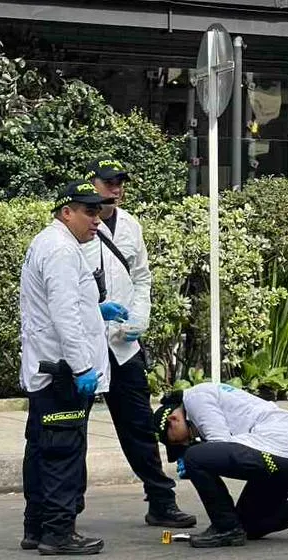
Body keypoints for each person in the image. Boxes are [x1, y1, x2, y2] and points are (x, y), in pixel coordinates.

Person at [82, 157, 195, 528]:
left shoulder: (131, 225)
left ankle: (160, 500)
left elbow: (141, 278)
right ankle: (64, 508)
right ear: (93, 183)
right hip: (84, 343)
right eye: (109, 181)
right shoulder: (78, 226)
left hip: (123, 343)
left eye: (120, 182)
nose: (115, 188)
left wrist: (140, 317)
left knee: (140, 426)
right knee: (70, 428)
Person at [20, 180, 129, 555]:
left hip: (49, 370)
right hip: (63, 372)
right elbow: (64, 314)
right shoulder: (62, 251)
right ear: (66, 212)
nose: (96, 220)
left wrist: (96, 313)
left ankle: (36, 528)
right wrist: (83, 367)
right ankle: (58, 533)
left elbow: (58, 307)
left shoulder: (50, 243)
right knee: (62, 454)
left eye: (98, 211)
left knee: (40, 449)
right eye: (88, 211)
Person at [153, 383, 288, 548]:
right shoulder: (207, 402)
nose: (185, 443)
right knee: (250, 524)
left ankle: (225, 528)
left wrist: (194, 458)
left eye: (178, 442)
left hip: (275, 452)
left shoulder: (195, 397)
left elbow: (221, 442)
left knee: (194, 457)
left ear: (173, 420)